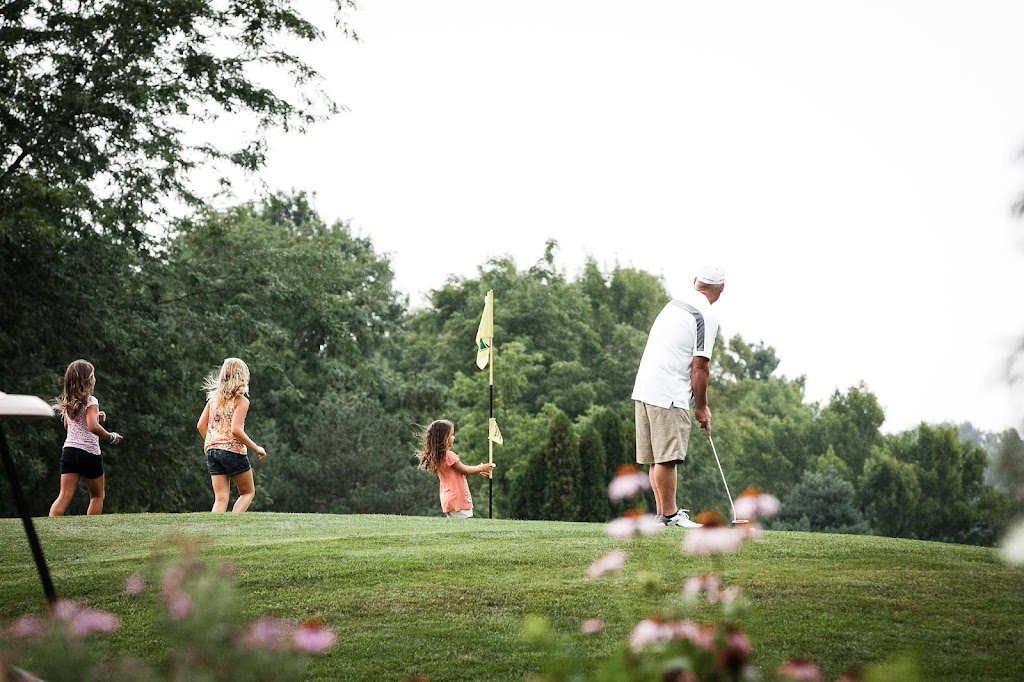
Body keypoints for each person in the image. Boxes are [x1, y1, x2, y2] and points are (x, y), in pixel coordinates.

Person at [631, 265, 726, 527]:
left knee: (656, 458)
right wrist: (702, 407)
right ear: (721, 289)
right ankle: (671, 516)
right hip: (669, 393)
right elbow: (700, 366)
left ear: (696, 281)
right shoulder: (705, 315)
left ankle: (663, 515)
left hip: (645, 389)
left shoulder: (673, 305)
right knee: (667, 457)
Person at [49, 359, 123, 516]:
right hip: (88, 453)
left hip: (69, 452)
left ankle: (50, 529)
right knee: (97, 496)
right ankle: (90, 530)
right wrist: (110, 437)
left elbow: (68, 426)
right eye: (93, 375)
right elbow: (92, 426)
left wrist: (96, 416)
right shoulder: (91, 400)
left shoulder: (69, 401)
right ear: (88, 380)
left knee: (64, 496)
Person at [197, 357, 267, 512]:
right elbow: (236, 430)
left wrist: (213, 443)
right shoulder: (241, 401)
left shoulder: (213, 400)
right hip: (232, 451)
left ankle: (214, 531)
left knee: (220, 498)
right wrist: (257, 448)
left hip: (212, 451)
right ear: (242, 377)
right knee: (247, 492)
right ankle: (232, 527)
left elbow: (201, 425)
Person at [417, 419, 495, 518]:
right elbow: (464, 470)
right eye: (451, 434)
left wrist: (478, 469)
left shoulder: (440, 456)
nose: (454, 437)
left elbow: (461, 469)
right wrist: (480, 467)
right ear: (444, 438)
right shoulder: (449, 456)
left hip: (448, 499)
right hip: (457, 499)